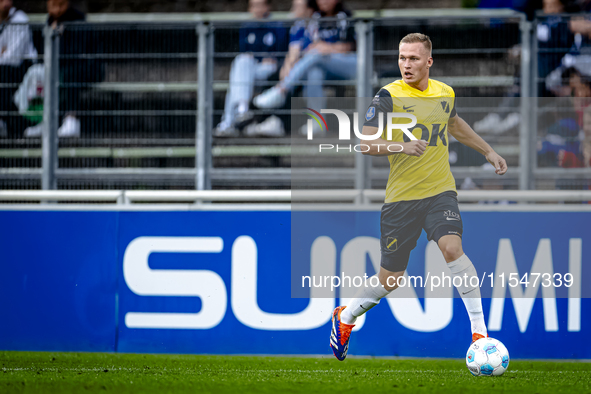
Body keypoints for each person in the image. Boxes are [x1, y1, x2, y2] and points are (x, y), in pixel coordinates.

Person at [329, 33, 508, 361]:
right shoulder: (388, 97)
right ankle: (346, 316)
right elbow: (364, 143)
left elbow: (453, 123)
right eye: (401, 58)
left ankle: (480, 333)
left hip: (440, 191)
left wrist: (488, 151)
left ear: (429, 61)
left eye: (413, 58)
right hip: (401, 200)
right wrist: (401, 145)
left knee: (452, 248)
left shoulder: (445, 92)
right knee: (391, 280)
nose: (406, 64)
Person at [253, 0, 356, 135]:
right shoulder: (316, 19)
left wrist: (327, 48)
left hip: (351, 65)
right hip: (325, 66)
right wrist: (290, 62)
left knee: (317, 54)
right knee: (314, 72)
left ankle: (282, 89)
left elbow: (351, 47)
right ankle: (318, 121)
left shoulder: (345, 16)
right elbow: (308, 47)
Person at [243, 0, 318, 137]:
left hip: (314, 70)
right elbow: (293, 51)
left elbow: (316, 51)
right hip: (298, 70)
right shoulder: (298, 26)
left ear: (309, 10)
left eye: (297, 7)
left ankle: (279, 122)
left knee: (294, 81)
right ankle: (268, 121)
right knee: (277, 75)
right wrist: (287, 65)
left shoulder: (318, 24)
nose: (293, 10)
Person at [213, 0, 288, 138]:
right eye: (253, 5)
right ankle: (241, 110)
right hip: (250, 69)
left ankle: (228, 122)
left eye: (260, 5)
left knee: (237, 78)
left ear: (268, 7)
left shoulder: (278, 24)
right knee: (241, 62)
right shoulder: (247, 25)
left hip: (269, 69)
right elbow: (245, 51)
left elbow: (280, 52)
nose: (257, 9)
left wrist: (267, 57)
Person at [24, 0, 85, 138]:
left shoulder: (78, 20)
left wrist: (57, 36)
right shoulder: (49, 21)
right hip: (57, 67)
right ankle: (42, 121)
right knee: (37, 75)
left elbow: (74, 54)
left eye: (61, 5)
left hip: (84, 67)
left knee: (71, 73)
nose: (57, 10)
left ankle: (71, 119)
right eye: (53, 5)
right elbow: (41, 51)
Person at [0, 0, 36, 137]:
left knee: (3, 75)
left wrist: (4, 53)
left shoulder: (20, 19)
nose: (6, 3)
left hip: (23, 69)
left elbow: (13, 58)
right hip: (6, 70)